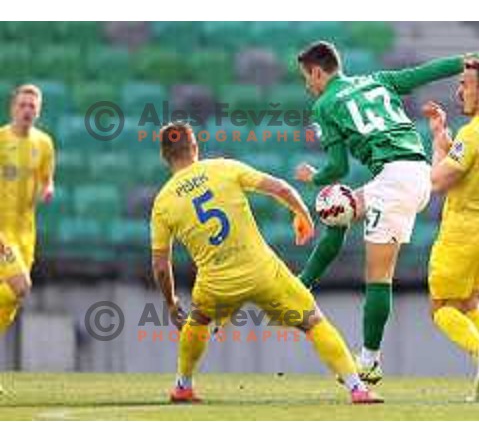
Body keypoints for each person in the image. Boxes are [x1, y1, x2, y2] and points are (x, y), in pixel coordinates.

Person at [294, 34, 479, 383]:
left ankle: (370, 360)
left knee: (378, 276)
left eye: (307, 77)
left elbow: (337, 168)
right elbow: (425, 72)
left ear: (318, 73)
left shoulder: (324, 105)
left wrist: (313, 176)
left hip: (395, 182)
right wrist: (476, 57)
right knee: (338, 209)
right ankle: (302, 284)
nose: (307, 85)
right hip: (417, 172)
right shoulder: (376, 80)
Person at [150, 121, 383, 404]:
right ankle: (356, 388)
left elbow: (161, 267)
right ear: (195, 147)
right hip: (263, 272)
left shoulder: (163, 202)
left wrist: (172, 302)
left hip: (216, 284)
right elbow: (282, 188)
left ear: (164, 156)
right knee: (312, 321)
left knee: (197, 320)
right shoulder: (224, 168)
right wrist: (302, 215)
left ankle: (183, 386)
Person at [424, 58, 479, 401]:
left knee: (441, 308)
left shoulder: (473, 132)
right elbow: (472, 167)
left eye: (466, 84)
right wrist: (448, 144)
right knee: (469, 302)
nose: (459, 90)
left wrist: (436, 142)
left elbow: (438, 181)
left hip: (465, 234)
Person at [0, 85, 55, 394]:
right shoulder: (0, 139)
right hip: (1, 231)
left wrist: (48, 189)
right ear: (13, 108)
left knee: (12, 298)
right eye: (23, 104)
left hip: (25, 234)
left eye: (32, 106)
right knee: (21, 286)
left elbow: (47, 176)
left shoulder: (44, 144)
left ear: (39, 110)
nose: (27, 110)